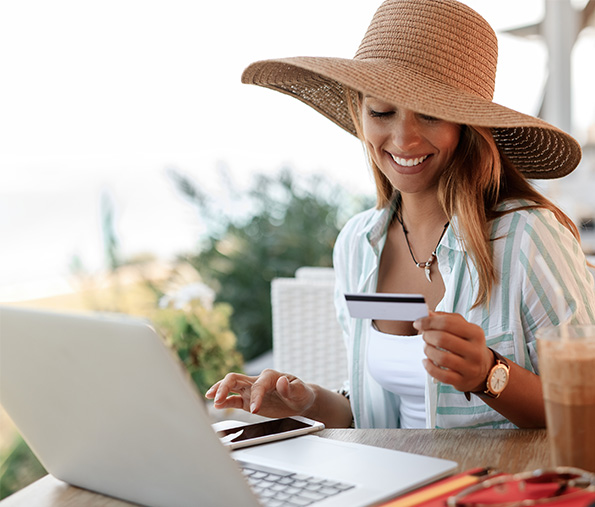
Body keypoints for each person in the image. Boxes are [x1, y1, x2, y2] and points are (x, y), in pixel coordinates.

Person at [206, 0, 595, 429]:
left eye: (429, 113)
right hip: (396, 487)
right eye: (382, 112)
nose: (404, 138)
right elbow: (369, 415)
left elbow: (587, 408)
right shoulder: (357, 243)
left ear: (465, 126)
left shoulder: (527, 236)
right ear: (360, 115)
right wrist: (306, 404)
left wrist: (489, 375)